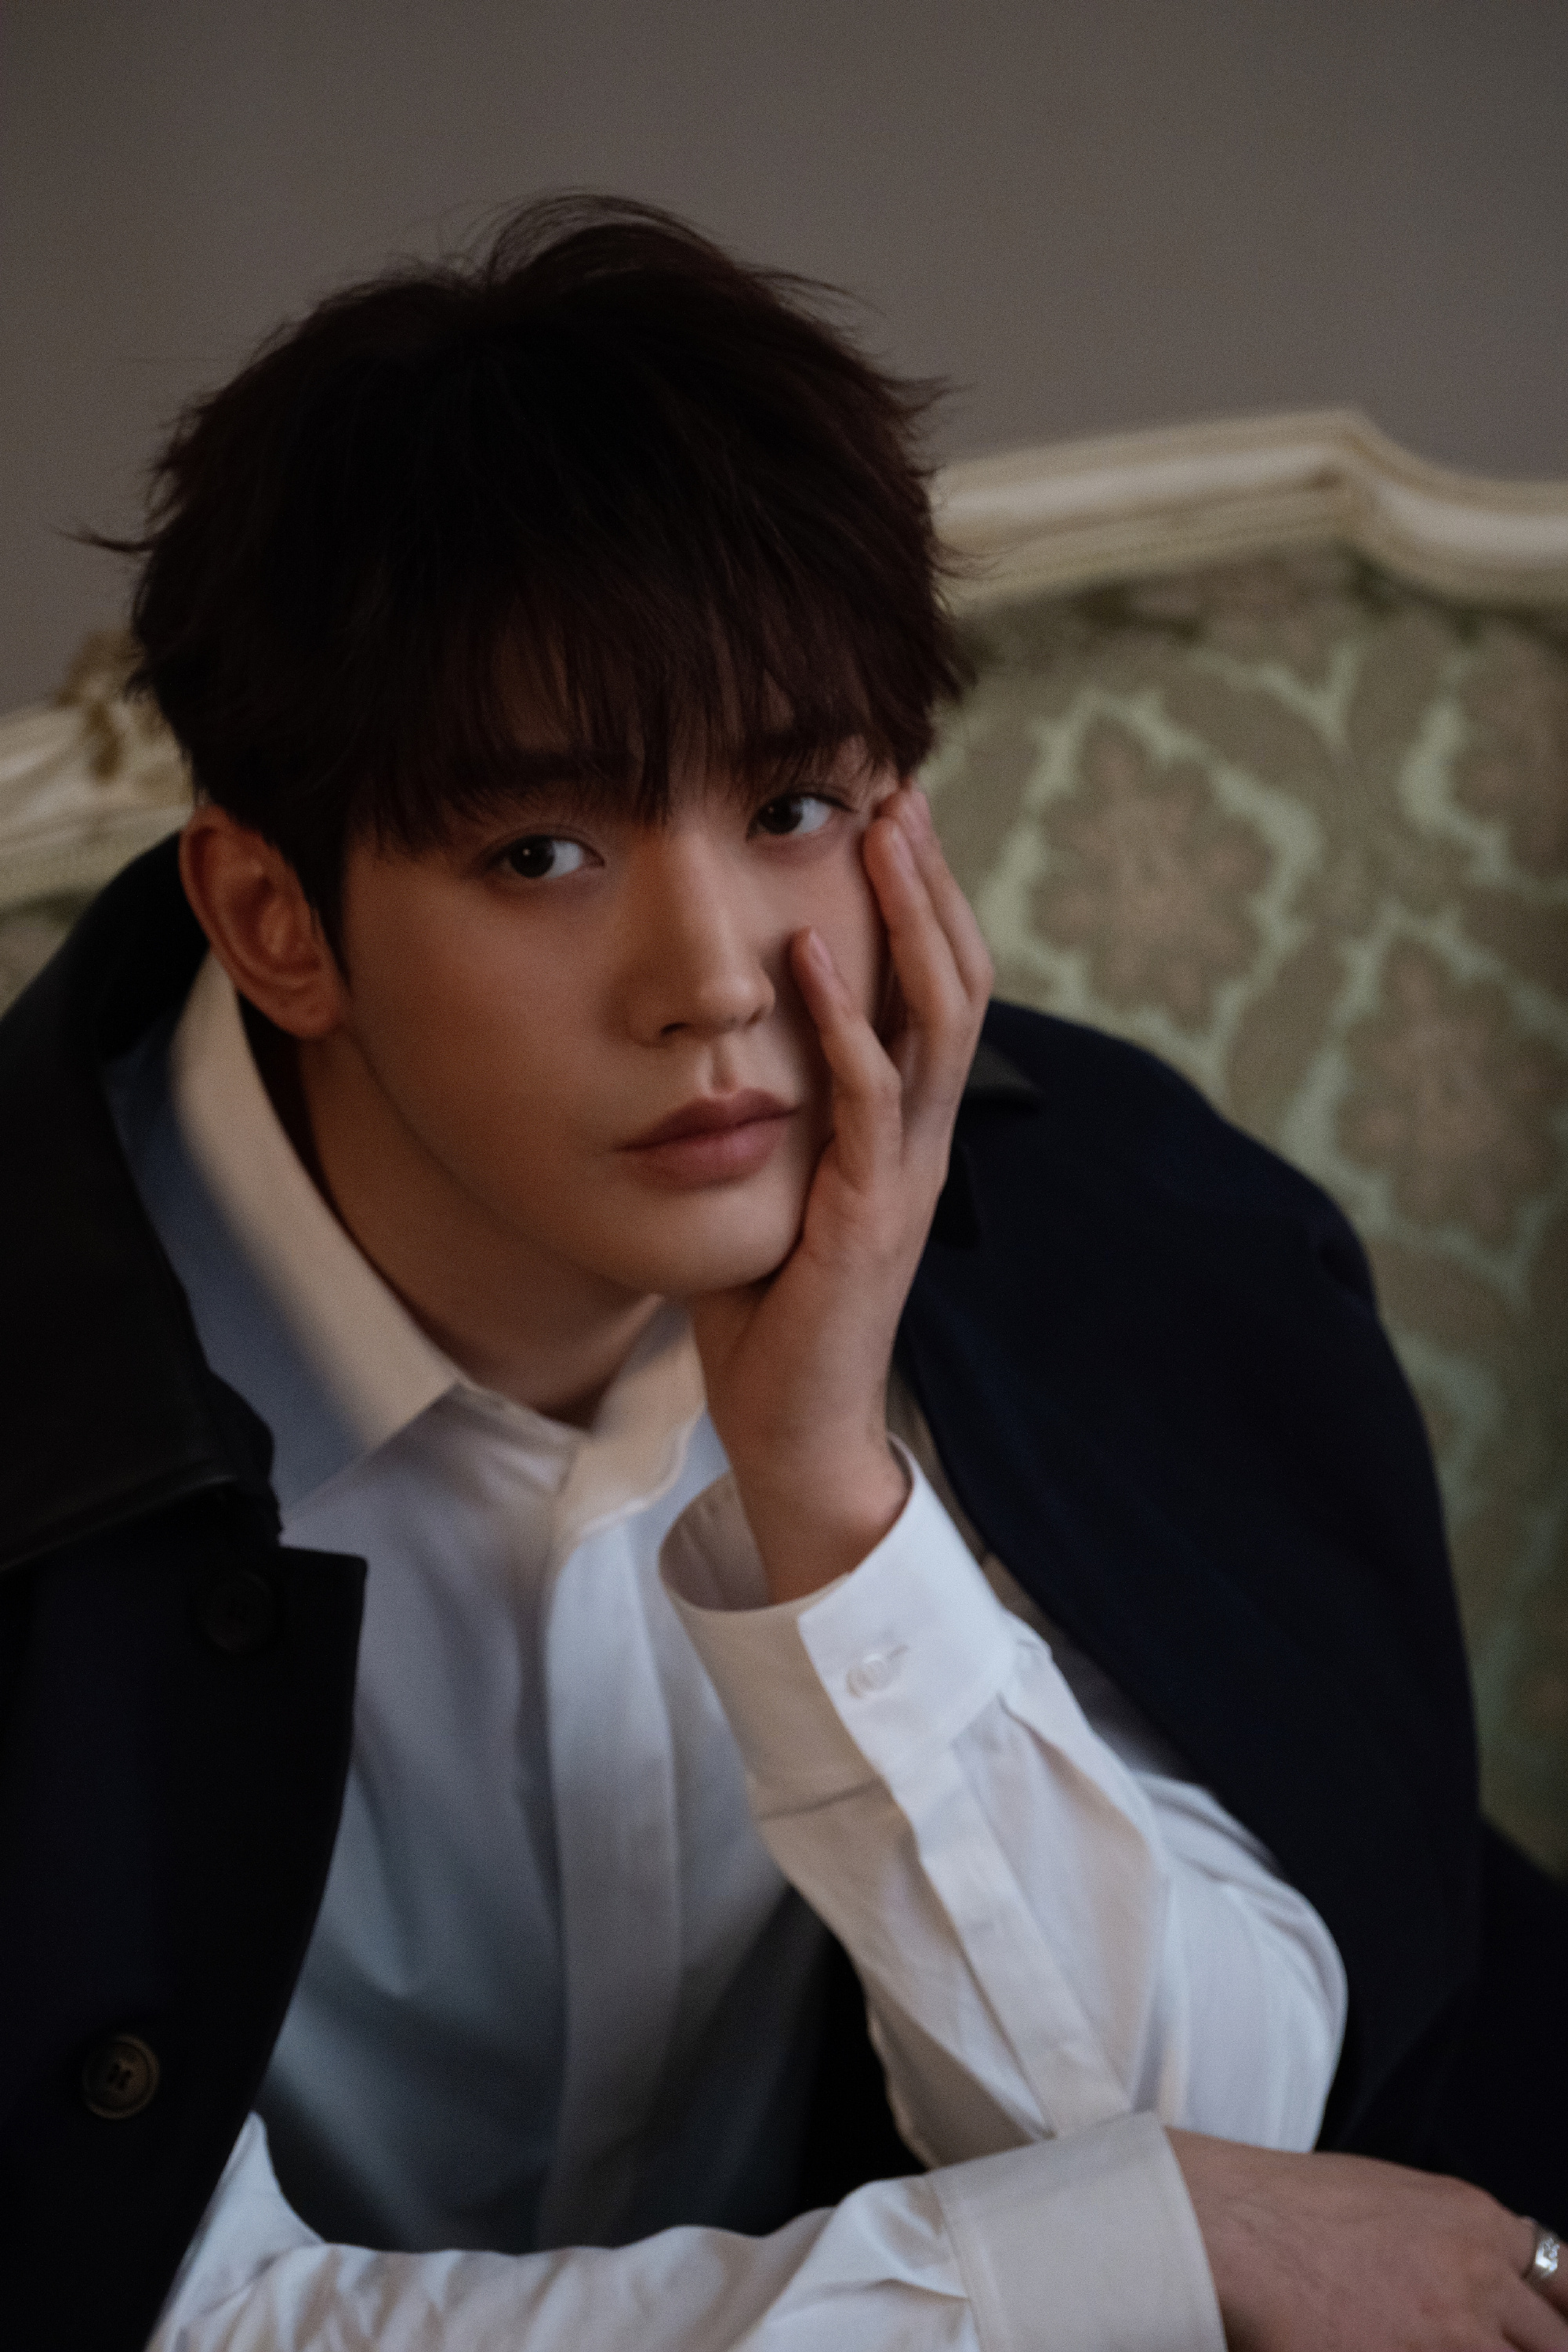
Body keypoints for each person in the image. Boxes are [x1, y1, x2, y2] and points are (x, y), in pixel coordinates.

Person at [0, 197, 1562, 2352]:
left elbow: (1250, 2169)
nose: (717, 979)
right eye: (543, 852)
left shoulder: (1120, 1233)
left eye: (798, 805)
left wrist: (828, 1491)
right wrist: (1069, 2268)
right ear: (277, 922)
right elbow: (147, 2320)